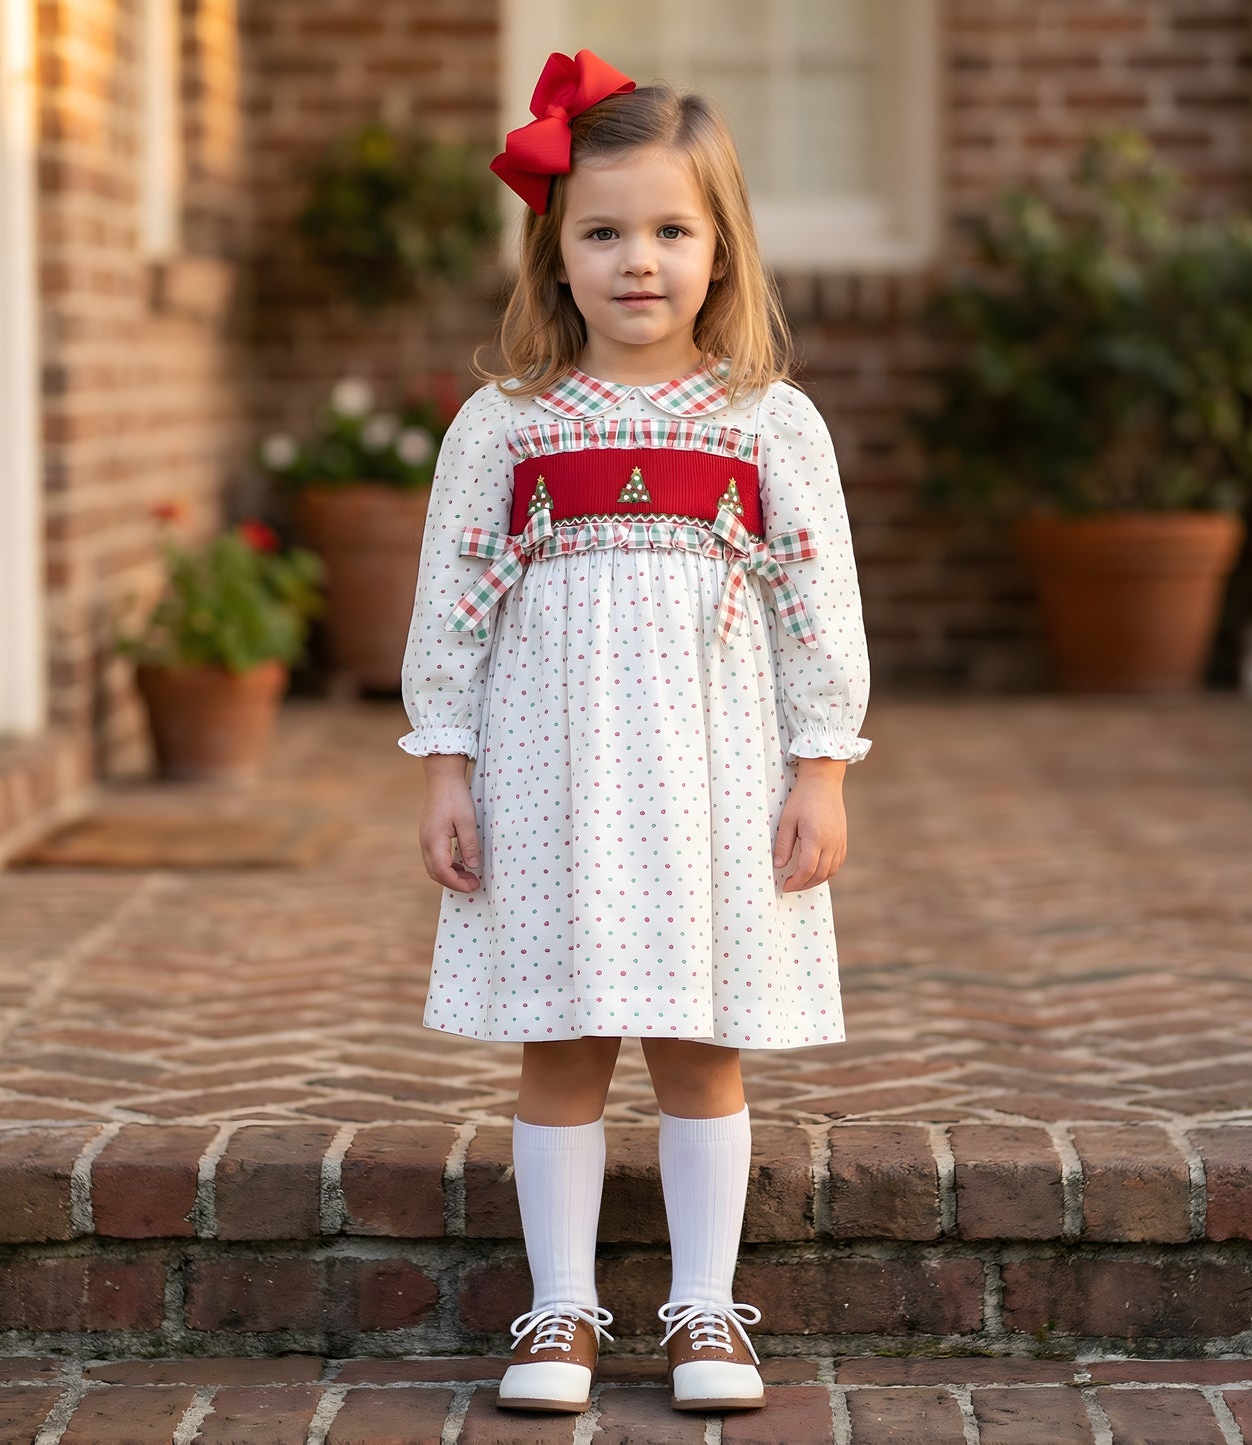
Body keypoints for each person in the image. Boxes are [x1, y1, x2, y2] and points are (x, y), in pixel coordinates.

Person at [400, 48, 871, 1416]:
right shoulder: (506, 423)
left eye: (670, 230)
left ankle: (704, 1307)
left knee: (697, 1043)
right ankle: (558, 1309)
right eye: (602, 233)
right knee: (559, 1044)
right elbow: (455, 602)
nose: (637, 261)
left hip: (711, 779)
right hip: (547, 775)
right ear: (556, 253)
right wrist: (446, 765)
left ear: (721, 252)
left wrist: (819, 764)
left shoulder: (764, 422)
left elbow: (812, 602)